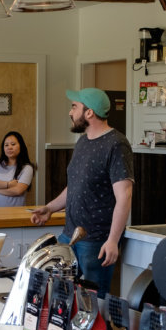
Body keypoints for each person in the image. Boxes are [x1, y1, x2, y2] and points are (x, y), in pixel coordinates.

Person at [31, 88, 133, 299]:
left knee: (93, 302)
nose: (70, 112)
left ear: (89, 113)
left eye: (74, 106)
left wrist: (113, 240)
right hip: (70, 236)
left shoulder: (117, 144)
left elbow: (125, 195)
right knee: (62, 299)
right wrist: (50, 208)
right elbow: (75, 186)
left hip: (96, 240)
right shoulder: (83, 142)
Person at [0, 131, 34, 208]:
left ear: (21, 146)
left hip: (13, 215)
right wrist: (8, 184)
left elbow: (18, 191)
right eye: (6, 145)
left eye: (13, 144)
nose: (9, 147)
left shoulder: (27, 168)